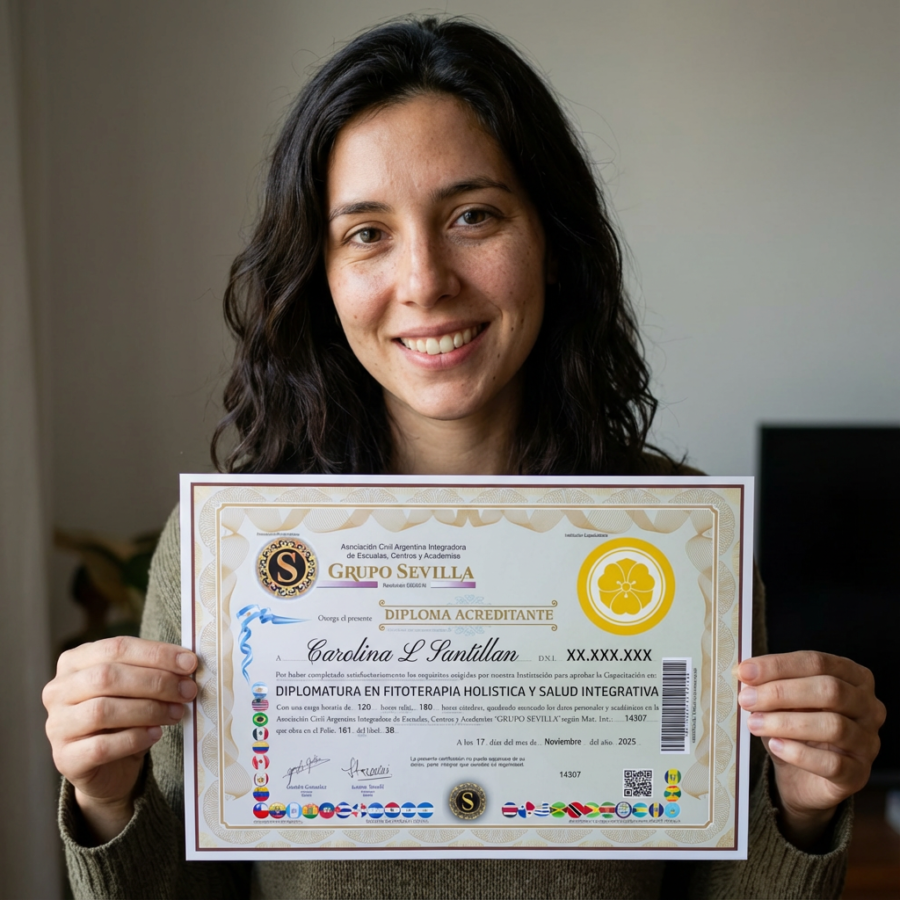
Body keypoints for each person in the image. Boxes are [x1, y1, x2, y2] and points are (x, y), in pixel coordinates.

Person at [42, 16, 884, 900]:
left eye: (473, 216)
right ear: (320, 276)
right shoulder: (226, 553)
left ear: (552, 242)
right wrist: (105, 796)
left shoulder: (683, 546)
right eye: (367, 233)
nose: (426, 280)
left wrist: (804, 809)